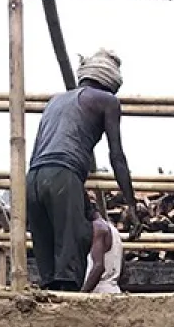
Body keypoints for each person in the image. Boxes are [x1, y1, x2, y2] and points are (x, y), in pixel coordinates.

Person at [27, 49, 140, 291]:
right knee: (70, 257)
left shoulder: (54, 101)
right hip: (63, 175)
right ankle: (66, 318)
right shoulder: (106, 101)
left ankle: (49, 313)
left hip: (34, 178)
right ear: (110, 82)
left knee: (48, 262)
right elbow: (117, 156)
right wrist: (131, 205)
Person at [83, 196, 124, 294]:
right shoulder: (113, 229)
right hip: (113, 288)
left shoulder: (97, 228)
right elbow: (123, 266)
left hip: (99, 291)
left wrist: (81, 295)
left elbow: (98, 266)